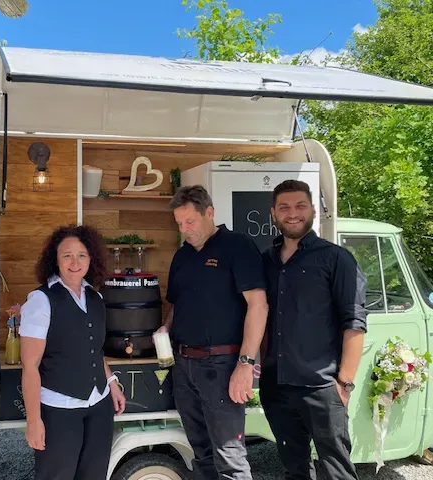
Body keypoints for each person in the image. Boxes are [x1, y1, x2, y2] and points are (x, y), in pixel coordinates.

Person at [157, 185, 268, 480]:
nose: (184, 229)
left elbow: (258, 305)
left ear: (210, 213)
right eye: (179, 223)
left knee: (229, 457)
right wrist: (165, 328)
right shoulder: (182, 256)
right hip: (184, 366)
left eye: (190, 221)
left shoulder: (237, 246)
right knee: (201, 453)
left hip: (222, 366)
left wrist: (245, 364)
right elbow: (177, 304)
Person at [260, 179, 368, 480]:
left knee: (337, 470)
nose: (292, 213)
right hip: (276, 386)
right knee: (294, 469)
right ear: (273, 213)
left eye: (300, 206)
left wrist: (344, 383)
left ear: (312, 210)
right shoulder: (266, 261)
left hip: (322, 387)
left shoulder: (336, 259)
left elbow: (354, 322)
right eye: (284, 207)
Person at [20, 225, 126, 480]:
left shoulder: (95, 298)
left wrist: (111, 382)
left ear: (91, 259)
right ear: (55, 260)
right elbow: (30, 366)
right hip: (59, 409)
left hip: (99, 406)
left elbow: (94, 350)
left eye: (82, 255)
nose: (75, 262)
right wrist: (34, 421)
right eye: (67, 255)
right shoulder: (41, 300)